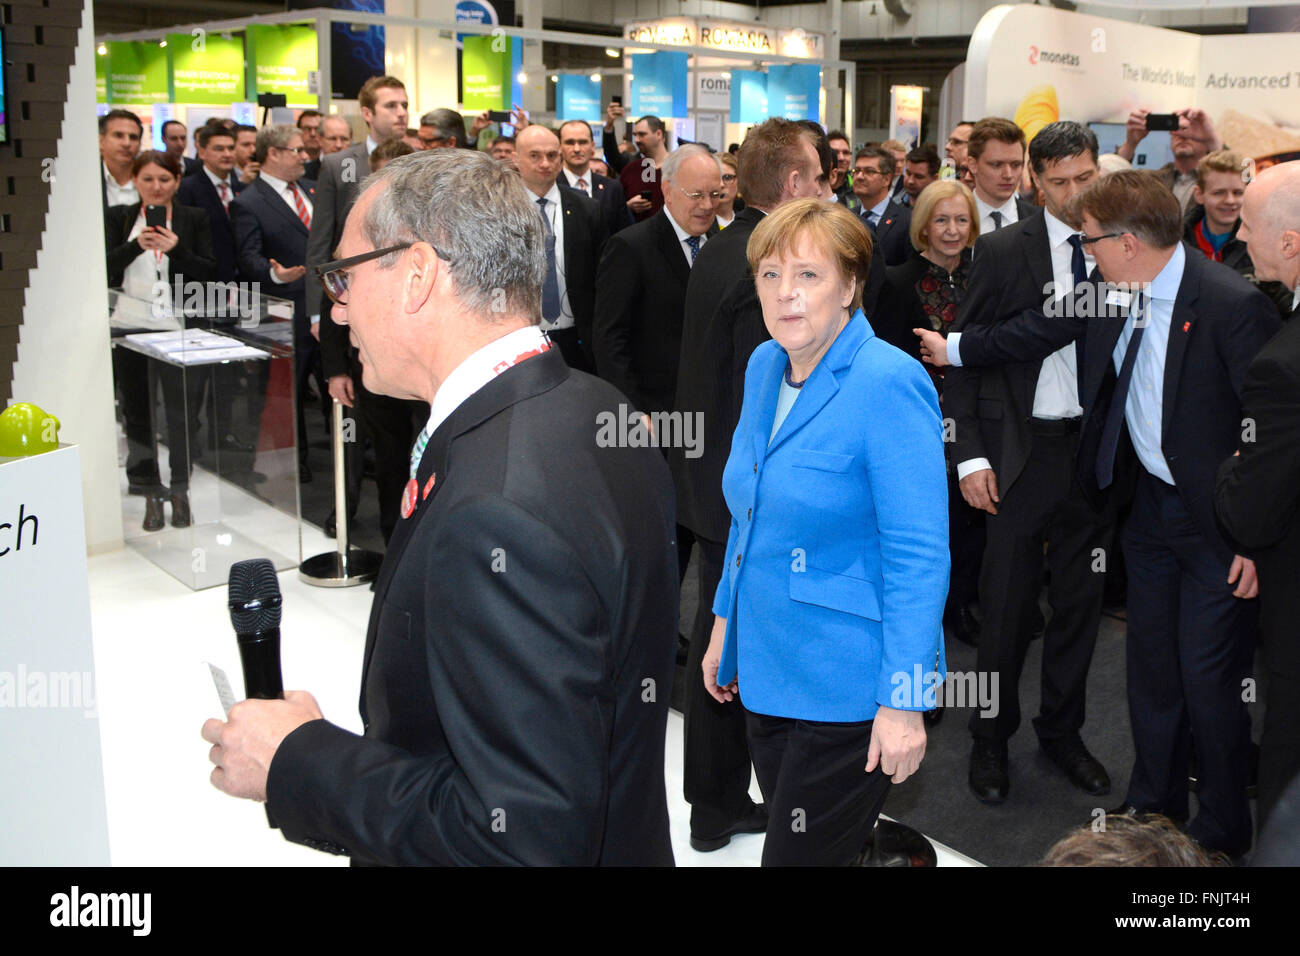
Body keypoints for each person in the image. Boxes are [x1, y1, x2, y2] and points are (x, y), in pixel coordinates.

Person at [202, 149, 679, 866]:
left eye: (345, 276)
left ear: (417, 272)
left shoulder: (498, 509)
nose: (336, 306)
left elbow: (520, 838)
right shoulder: (592, 404)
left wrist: (299, 760)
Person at [919, 170, 1281, 857]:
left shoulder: (1232, 305)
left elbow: (1267, 429)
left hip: (1219, 528)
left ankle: (1222, 829)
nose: (1083, 252)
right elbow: (1036, 329)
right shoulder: (1114, 288)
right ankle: (1155, 805)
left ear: (1128, 243)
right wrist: (955, 348)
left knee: (1209, 681)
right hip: (1145, 514)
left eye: (1090, 242)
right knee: (1149, 669)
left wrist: (1254, 539)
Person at [702, 198, 948, 866]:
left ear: (850, 286)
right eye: (770, 275)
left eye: (808, 275)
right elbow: (748, 510)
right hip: (767, 666)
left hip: (847, 686)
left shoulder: (889, 382)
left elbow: (919, 554)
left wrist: (904, 700)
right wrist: (725, 620)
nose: (785, 295)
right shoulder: (763, 365)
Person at [918, 121, 1115, 804]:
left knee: (1078, 610)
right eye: (1056, 181)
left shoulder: (1124, 244)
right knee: (1003, 612)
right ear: (1035, 180)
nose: (1070, 193)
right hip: (1015, 456)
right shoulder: (1003, 250)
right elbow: (963, 358)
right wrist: (967, 456)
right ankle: (989, 740)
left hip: (1092, 460)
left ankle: (1062, 733)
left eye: (1082, 178)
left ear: (1099, 171)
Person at [670, 118, 823, 853]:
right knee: (729, 644)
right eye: (819, 178)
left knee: (718, 635)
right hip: (742, 492)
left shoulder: (723, 248)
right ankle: (720, 803)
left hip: (709, 483)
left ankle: (715, 803)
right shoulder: (765, 268)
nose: (826, 191)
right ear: (793, 185)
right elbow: (762, 397)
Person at [1216, 160, 1300, 835]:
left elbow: (1249, 507)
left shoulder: (1281, 365)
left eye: (1248, 224)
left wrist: (1236, 465)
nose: (1240, 239)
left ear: (1291, 242)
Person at [309, 75, 416, 543]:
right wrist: (330, 351)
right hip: (364, 344)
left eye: (405, 104)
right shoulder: (339, 168)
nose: (400, 113)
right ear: (367, 112)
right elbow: (328, 263)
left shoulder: (426, 195)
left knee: (416, 450)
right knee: (372, 445)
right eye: (391, 105)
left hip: (418, 354)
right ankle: (352, 518)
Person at [878, 180, 981, 658]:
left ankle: (961, 603)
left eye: (961, 219)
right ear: (923, 225)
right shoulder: (896, 281)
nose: (952, 230)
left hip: (976, 417)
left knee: (968, 519)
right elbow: (883, 355)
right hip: (917, 422)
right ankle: (923, 632)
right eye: (941, 219)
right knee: (923, 528)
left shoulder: (985, 275)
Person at [105, 150, 216, 531]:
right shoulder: (119, 218)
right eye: (148, 179)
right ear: (135, 180)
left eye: (164, 179)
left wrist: (177, 249)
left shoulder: (194, 218)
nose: (156, 187)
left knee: (180, 413)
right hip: (128, 327)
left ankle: (180, 488)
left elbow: (210, 271)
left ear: (177, 182)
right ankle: (148, 488)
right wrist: (138, 244)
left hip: (178, 330)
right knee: (138, 413)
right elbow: (102, 266)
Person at [229, 125, 320, 485]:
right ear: (273, 154)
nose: (304, 157)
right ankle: (295, 460)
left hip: (326, 306)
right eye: (296, 150)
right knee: (291, 392)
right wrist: (278, 276)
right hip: (286, 311)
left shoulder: (312, 190)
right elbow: (248, 259)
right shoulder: (248, 203)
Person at [515, 125, 607, 371]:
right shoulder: (501, 211)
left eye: (552, 155)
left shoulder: (588, 209)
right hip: (520, 339)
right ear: (517, 159)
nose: (545, 163)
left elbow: (603, 276)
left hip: (578, 339)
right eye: (534, 156)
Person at [1185, 150, 1293, 318]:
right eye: (1219, 192)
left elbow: (1284, 306)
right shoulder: (1176, 242)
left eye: (1238, 192)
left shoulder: (1265, 242)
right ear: (1199, 194)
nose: (1230, 201)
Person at [1118, 107, 1223, 212]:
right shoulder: (1153, 181)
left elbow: (1233, 177)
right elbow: (1112, 183)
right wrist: (1130, 143)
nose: (1182, 135)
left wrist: (1213, 140)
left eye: (1189, 129)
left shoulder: (1217, 180)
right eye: (1176, 128)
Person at [557, 119, 631, 236]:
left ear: (592, 146)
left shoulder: (613, 188)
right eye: (570, 142)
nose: (577, 149)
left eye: (583, 142)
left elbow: (624, 233)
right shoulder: (552, 186)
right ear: (560, 147)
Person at [601, 103, 670, 223]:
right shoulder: (632, 168)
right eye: (635, 135)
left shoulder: (679, 167)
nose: (637, 140)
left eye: (642, 134)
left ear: (659, 134)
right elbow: (616, 207)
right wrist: (627, 206)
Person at [966, 117, 1036, 234]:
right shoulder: (949, 218)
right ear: (973, 165)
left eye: (1015, 165)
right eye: (996, 165)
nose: (1008, 175)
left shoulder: (1041, 222)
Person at [852, 146, 911, 267]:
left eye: (869, 171)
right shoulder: (847, 217)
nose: (859, 176)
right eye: (857, 170)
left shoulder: (907, 221)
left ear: (887, 179)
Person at [100, 109, 142, 210]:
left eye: (133, 137)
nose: (127, 143)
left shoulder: (150, 180)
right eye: (118, 135)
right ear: (101, 141)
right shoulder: (87, 180)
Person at [826, 129, 859, 212]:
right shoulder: (815, 187)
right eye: (835, 152)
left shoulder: (858, 186)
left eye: (846, 153)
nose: (841, 158)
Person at [715, 152, 741, 228]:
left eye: (727, 177)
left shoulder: (747, 220)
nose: (721, 184)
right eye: (716, 177)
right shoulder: (701, 222)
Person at [297, 109, 324, 179]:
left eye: (317, 129)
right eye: (307, 129)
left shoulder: (331, 162)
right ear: (298, 132)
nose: (313, 134)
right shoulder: (290, 161)